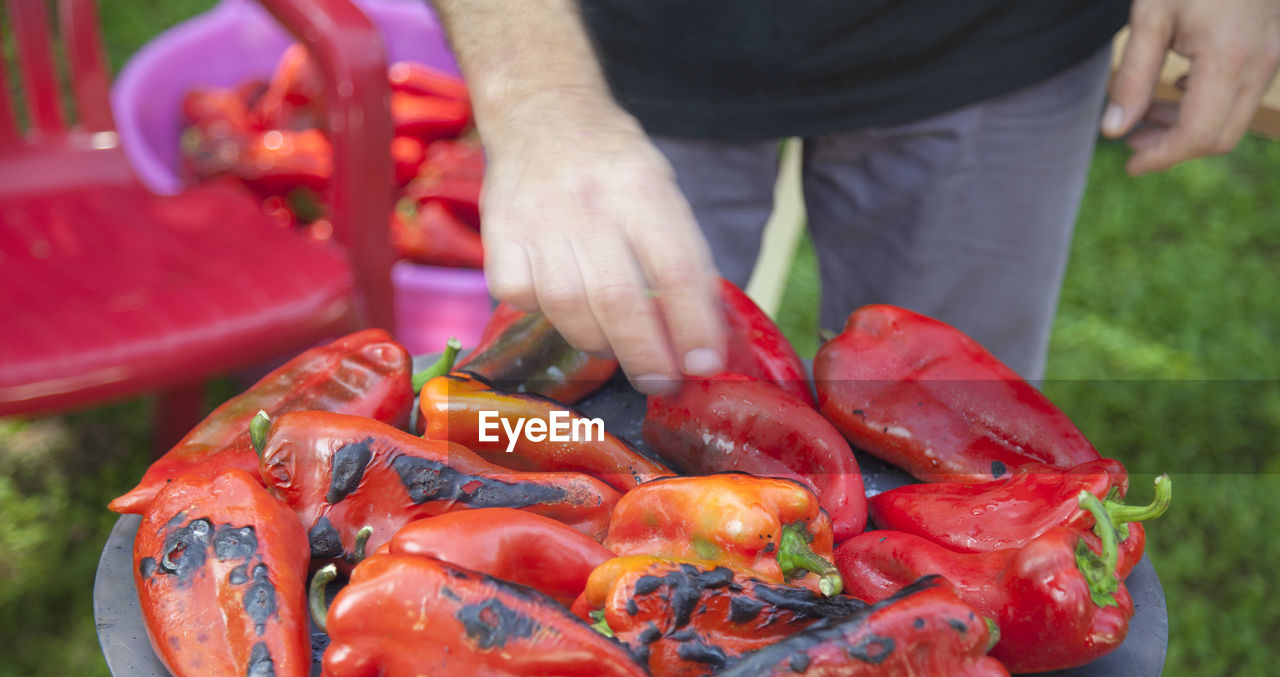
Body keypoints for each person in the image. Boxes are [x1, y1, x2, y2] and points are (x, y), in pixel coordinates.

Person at [430, 0, 1280, 387]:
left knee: (961, 446)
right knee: (596, 438)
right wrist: (536, 97)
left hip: (1000, 34)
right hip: (613, 48)